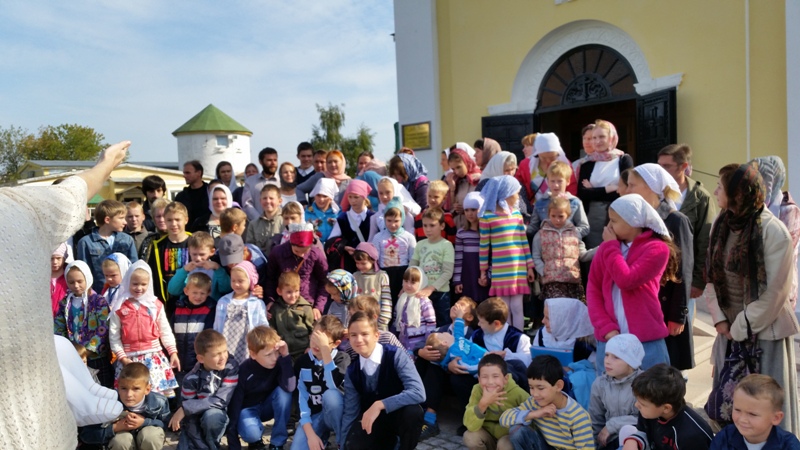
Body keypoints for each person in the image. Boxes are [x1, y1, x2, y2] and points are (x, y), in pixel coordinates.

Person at [0, 140, 128, 450]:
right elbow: (72, 192)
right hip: (37, 424)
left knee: (57, 347)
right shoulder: (18, 207)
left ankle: (87, 394)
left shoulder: (17, 207)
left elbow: (71, 193)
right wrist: (105, 164)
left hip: (37, 415)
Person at [706, 162, 800, 434]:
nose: (715, 192)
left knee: (764, 405)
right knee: (729, 407)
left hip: (764, 333)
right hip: (728, 331)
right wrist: (720, 320)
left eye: (720, 187)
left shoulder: (773, 231)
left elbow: (776, 293)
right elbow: (711, 274)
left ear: (738, 193)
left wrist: (740, 327)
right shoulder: (721, 224)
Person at [587, 194, 678, 373]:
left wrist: (611, 246)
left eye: (614, 221)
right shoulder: (606, 247)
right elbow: (593, 290)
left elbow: (626, 280)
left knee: (654, 388)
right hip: (610, 340)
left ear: (633, 221)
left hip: (646, 341)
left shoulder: (657, 248)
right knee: (609, 389)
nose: (609, 226)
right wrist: (606, 327)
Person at [627, 163, 695, 371]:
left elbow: (683, 270)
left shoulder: (676, 221)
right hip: (644, 309)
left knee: (666, 373)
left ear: (651, 187)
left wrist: (678, 315)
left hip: (666, 310)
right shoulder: (637, 221)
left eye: (632, 185)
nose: (627, 191)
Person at [341, 311, 426, 450]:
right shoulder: (352, 371)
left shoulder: (395, 355)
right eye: (353, 335)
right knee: (354, 445)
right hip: (375, 422)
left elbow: (418, 392)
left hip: (399, 415)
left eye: (364, 334)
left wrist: (380, 404)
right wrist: (342, 444)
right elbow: (350, 412)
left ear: (376, 335)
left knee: (413, 412)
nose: (358, 340)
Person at [109, 261, 180, 397]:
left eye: (143, 284)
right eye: (135, 284)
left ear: (149, 284)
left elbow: (165, 331)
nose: (139, 288)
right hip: (129, 359)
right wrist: (122, 358)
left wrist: (173, 352)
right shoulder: (119, 307)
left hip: (153, 357)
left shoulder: (155, 305)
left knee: (156, 396)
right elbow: (114, 336)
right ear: (128, 282)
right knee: (132, 394)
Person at [657, 144, 716, 302]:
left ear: (683, 167)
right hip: (658, 272)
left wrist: (698, 281)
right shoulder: (655, 193)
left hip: (684, 275)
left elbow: (705, 240)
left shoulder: (700, 197)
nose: (661, 171)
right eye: (659, 166)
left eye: (666, 166)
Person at [499, 355, 594, 450]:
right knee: (516, 432)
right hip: (543, 446)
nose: (535, 394)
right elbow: (504, 419)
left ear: (558, 386)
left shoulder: (578, 416)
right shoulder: (534, 402)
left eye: (540, 388)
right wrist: (536, 414)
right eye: (531, 387)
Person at [478, 176, 535, 330]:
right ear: (506, 193)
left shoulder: (516, 214)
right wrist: (483, 270)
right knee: (504, 308)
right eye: (516, 193)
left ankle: (518, 337)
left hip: (518, 268)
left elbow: (523, 241)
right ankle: (507, 337)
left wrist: (529, 266)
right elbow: (484, 246)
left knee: (517, 306)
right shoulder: (487, 217)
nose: (518, 196)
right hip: (500, 270)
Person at [227, 326, 296, 450]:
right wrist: (234, 445)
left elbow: (290, 387)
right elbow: (235, 406)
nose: (274, 358)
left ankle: (277, 443)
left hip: (268, 406)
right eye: (268, 355)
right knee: (251, 434)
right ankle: (255, 440)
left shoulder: (279, 362)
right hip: (249, 409)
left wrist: (285, 355)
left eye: (276, 352)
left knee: (284, 393)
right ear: (253, 354)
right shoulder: (244, 370)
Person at [170, 329, 239, 450]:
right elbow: (190, 418)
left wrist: (186, 407)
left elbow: (221, 401)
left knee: (212, 417)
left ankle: (213, 444)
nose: (223, 357)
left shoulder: (231, 367)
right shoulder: (190, 379)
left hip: (223, 418)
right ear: (201, 359)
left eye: (225, 351)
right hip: (197, 421)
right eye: (216, 354)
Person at [78, 362, 170, 450]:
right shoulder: (107, 403)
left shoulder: (159, 401)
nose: (129, 394)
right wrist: (115, 427)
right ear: (117, 386)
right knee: (121, 441)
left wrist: (144, 422)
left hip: (146, 438)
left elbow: (165, 425)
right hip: (122, 441)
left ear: (147, 389)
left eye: (136, 389)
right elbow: (87, 435)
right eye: (124, 388)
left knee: (151, 436)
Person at [619, 364, 713, 450]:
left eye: (642, 404)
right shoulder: (650, 412)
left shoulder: (692, 435)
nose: (636, 405)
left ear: (666, 408)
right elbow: (643, 432)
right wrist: (633, 440)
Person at [291, 315, 350, 450]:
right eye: (315, 337)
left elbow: (333, 384)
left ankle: (341, 441)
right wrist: (310, 434)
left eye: (322, 342)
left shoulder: (342, 359)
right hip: (314, 416)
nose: (317, 344)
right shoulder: (302, 362)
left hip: (338, 414)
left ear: (336, 344)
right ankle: (321, 439)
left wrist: (325, 352)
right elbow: (301, 399)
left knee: (331, 395)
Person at [751, 155, 800, 310]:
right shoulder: (754, 206)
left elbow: (784, 250)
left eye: (762, 179)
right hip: (755, 290)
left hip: (780, 291)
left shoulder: (789, 210)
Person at [54, 260, 113, 387]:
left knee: (101, 388)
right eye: (71, 282)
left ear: (88, 278)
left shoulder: (98, 301)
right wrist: (69, 350)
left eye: (80, 281)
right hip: (73, 357)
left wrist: (88, 350)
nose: (76, 285)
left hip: (96, 358)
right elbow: (59, 327)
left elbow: (103, 328)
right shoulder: (65, 303)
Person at [577, 119, 634, 249]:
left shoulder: (624, 160)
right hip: (593, 217)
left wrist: (594, 190)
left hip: (620, 214)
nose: (597, 141)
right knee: (594, 252)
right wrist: (610, 188)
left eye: (602, 136)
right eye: (594, 138)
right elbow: (583, 194)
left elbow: (627, 190)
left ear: (611, 137)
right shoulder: (587, 164)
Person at [710, 374, 800, 450]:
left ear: (776, 418)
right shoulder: (723, 439)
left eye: (752, 414)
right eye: (737, 410)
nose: (742, 419)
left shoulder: (789, 446)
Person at [463, 354, 532, 450]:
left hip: (507, 437)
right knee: (470, 437)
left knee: (506, 445)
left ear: (505, 379)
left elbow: (531, 424)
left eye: (495, 376)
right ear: (479, 379)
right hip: (487, 435)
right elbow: (470, 425)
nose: (490, 382)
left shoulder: (518, 394)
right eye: (484, 377)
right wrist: (483, 404)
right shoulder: (477, 390)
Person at [589, 334, 643, 450]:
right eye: (607, 355)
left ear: (631, 361)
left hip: (638, 440)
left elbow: (648, 418)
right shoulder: (600, 384)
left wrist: (613, 425)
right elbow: (595, 421)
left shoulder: (645, 384)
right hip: (608, 442)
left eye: (616, 357)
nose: (607, 361)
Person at [265, 223, 329, 321]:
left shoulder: (316, 254)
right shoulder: (277, 252)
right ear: (291, 243)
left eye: (305, 251)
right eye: (297, 251)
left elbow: (324, 282)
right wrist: (270, 300)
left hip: (307, 305)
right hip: (282, 305)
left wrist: (318, 307)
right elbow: (270, 278)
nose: (301, 255)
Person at [531, 196, 589, 301]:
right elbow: (536, 256)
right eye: (553, 216)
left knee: (571, 308)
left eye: (561, 216)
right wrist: (543, 270)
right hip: (551, 281)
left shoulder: (574, 233)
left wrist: (600, 249)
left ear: (568, 215)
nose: (557, 220)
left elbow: (582, 255)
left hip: (572, 280)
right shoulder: (541, 234)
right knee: (555, 307)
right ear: (548, 214)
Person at [76, 199, 139, 293]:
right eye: (121, 218)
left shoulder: (127, 240)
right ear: (107, 220)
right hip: (98, 294)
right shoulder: (86, 242)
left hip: (124, 294)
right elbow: (83, 274)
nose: (125, 222)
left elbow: (134, 268)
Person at [214, 261, 268, 365]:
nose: (236, 284)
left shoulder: (256, 303)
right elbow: (217, 326)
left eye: (240, 281)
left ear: (250, 280)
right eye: (233, 280)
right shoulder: (223, 301)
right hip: (226, 344)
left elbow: (263, 326)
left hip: (247, 346)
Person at [410, 207, 456, 326]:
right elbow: (412, 268)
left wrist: (431, 288)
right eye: (425, 225)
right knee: (423, 325)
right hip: (421, 292)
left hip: (441, 293)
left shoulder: (446, 245)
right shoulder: (420, 244)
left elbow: (448, 272)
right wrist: (407, 285)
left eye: (432, 225)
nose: (428, 229)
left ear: (442, 226)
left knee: (442, 325)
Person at [371, 198, 417, 306]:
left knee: (402, 303)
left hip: (403, 273)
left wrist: (409, 278)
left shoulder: (409, 237)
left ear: (402, 219)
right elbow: (375, 259)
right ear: (384, 219)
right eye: (389, 220)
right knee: (385, 303)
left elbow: (413, 259)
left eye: (396, 221)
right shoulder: (378, 237)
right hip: (384, 274)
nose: (392, 224)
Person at [171, 272, 217, 379]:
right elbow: (171, 333)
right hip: (179, 363)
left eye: (202, 293)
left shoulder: (210, 310)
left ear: (209, 292)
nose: (198, 296)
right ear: (186, 291)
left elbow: (209, 337)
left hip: (199, 365)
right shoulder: (178, 309)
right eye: (195, 292)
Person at [147, 201, 191, 312]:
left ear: (186, 220)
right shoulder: (157, 246)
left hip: (192, 300)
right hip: (166, 303)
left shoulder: (195, 242)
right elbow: (153, 276)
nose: (173, 224)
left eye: (177, 220)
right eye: (169, 220)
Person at [529, 161, 590, 238]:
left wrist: (568, 233)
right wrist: (520, 228)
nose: (556, 185)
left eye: (560, 181)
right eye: (552, 181)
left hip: (567, 243)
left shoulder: (575, 202)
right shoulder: (540, 203)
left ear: (568, 181)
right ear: (548, 181)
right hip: (546, 243)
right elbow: (533, 228)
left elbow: (584, 227)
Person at [326, 179, 374, 273]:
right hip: (347, 264)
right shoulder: (343, 218)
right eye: (350, 197)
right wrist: (344, 247)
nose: (352, 201)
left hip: (368, 263)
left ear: (364, 197)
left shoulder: (373, 217)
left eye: (356, 197)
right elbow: (331, 241)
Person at [531, 297, 595, 363]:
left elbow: (592, 366)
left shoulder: (583, 344)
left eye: (548, 318)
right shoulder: (542, 335)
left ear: (563, 321)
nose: (543, 321)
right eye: (544, 316)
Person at [269, 271, 315, 361]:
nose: (293, 295)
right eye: (289, 292)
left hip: (303, 351)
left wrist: (310, 346)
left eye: (296, 291)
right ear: (279, 291)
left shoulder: (305, 307)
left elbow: (313, 329)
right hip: (284, 351)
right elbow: (272, 330)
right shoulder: (275, 309)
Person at [341, 295, 404, 360]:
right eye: (351, 315)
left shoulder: (388, 339)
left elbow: (405, 360)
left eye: (359, 316)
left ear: (374, 317)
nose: (353, 320)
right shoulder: (351, 346)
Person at [454, 192, 491, 303]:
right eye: (467, 210)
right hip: (467, 276)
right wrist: (457, 280)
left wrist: (488, 276)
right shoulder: (461, 233)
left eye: (473, 210)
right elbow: (458, 258)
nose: (470, 213)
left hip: (483, 277)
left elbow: (492, 257)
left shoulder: (488, 232)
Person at [394, 266, 438, 356]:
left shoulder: (424, 301)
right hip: (403, 344)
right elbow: (396, 320)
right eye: (406, 281)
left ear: (421, 283)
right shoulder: (402, 299)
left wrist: (426, 343)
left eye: (413, 282)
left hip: (419, 346)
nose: (408, 285)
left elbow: (431, 324)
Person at [352, 242, 392, 330]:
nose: (360, 266)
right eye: (357, 263)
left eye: (363, 263)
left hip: (378, 323)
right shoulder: (355, 276)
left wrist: (383, 321)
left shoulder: (381, 276)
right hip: (360, 322)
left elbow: (386, 299)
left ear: (373, 260)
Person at [445, 146, 481, 230]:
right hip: (459, 227)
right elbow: (450, 209)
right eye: (453, 169)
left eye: (459, 167)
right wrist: (452, 189)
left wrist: (467, 209)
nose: (457, 172)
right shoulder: (456, 181)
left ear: (466, 162)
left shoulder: (479, 178)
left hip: (476, 227)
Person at [244, 184, 283, 257]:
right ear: (260, 201)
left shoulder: (286, 221)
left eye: (271, 198)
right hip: (260, 261)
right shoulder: (253, 224)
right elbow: (250, 248)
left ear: (280, 201)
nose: (268, 201)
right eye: (264, 198)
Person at [242, 147, 280, 221]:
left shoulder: (282, 181)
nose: (273, 163)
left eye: (275, 160)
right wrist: (260, 220)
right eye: (269, 160)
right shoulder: (250, 181)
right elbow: (247, 204)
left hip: (279, 223)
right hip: (257, 224)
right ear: (261, 162)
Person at [175, 160, 211, 225]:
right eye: (184, 173)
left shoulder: (211, 193)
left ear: (199, 173)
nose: (184, 176)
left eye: (188, 173)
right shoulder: (181, 197)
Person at [306, 177, 339, 242]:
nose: (321, 199)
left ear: (331, 197)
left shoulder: (339, 214)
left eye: (325, 196)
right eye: (318, 195)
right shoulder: (306, 213)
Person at [139, 198, 170, 263]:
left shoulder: (181, 240)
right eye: (158, 216)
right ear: (153, 218)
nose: (161, 220)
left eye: (164, 216)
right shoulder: (148, 241)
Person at [50, 242, 71, 316]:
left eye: (58, 258)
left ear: (64, 258)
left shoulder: (70, 276)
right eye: (51, 258)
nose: (55, 262)